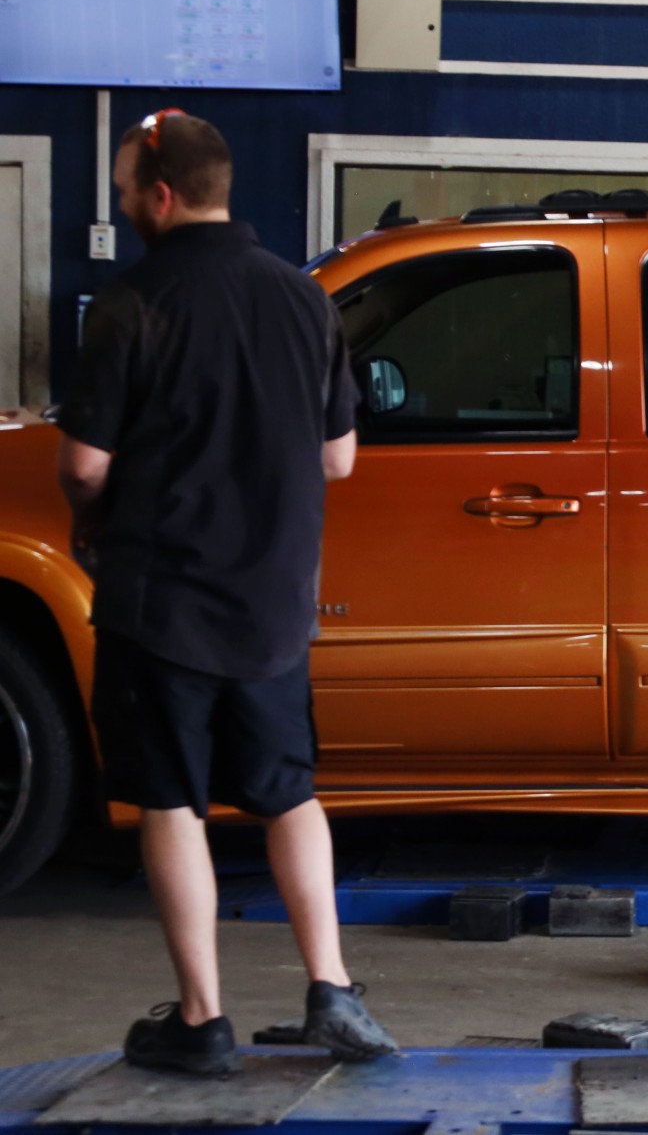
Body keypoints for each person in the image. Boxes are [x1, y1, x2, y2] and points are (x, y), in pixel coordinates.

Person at [56, 110, 398, 1075]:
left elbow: (84, 465)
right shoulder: (302, 300)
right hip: (276, 606)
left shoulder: (131, 303)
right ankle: (330, 986)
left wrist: (92, 506)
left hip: (162, 602)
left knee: (171, 802)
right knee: (290, 795)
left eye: (127, 189)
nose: (124, 205)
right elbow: (339, 458)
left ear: (161, 195)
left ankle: (202, 1021)